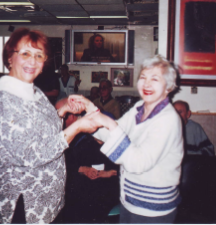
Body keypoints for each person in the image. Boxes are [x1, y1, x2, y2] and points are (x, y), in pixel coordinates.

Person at [0, 28, 99, 224]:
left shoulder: (32, 91)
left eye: (39, 55)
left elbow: (42, 130)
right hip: (25, 205)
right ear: (10, 58)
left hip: (47, 202)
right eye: (26, 54)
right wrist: (77, 126)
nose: (33, 61)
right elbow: (31, 155)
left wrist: (62, 111)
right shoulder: (4, 100)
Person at [71, 55, 184, 223]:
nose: (146, 83)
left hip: (153, 208)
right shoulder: (140, 108)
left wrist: (107, 122)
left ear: (168, 87)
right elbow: (112, 131)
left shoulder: (168, 119)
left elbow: (137, 163)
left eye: (155, 79)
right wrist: (87, 109)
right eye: (143, 77)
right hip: (129, 201)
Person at [56, 99, 119, 223]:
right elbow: (70, 165)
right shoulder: (84, 143)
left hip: (108, 188)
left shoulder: (116, 147)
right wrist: (83, 170)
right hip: (87, 188)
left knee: (93, 204)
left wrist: (108, 173)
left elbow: (124, 169)